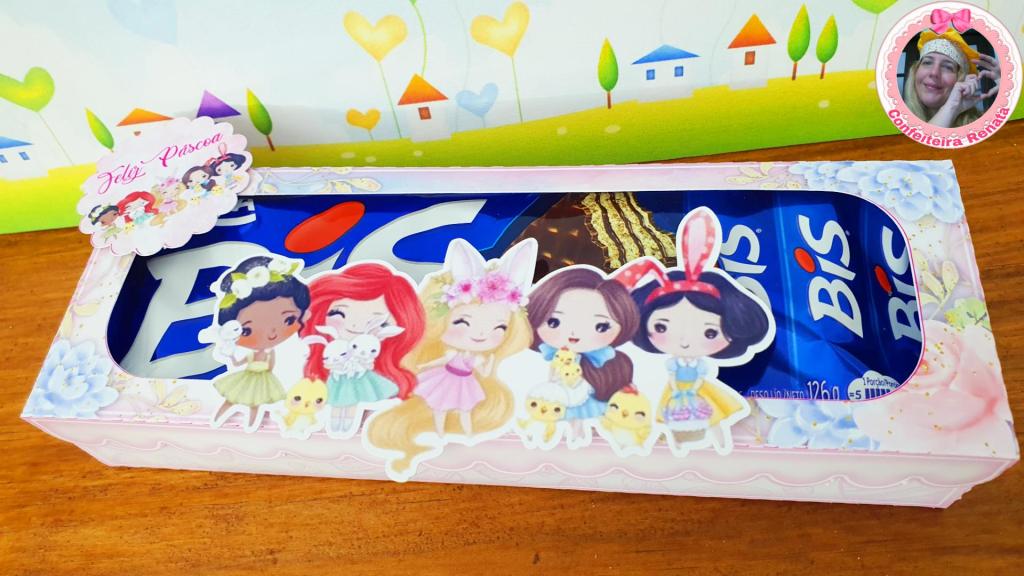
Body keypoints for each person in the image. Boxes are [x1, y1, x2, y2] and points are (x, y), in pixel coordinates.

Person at [904, 28, 1000, 128]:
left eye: (947, 67)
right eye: (927, 62)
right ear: (915, 71)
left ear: (960, 79)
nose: (934, 73)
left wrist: (952, 107)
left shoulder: (983, 126)